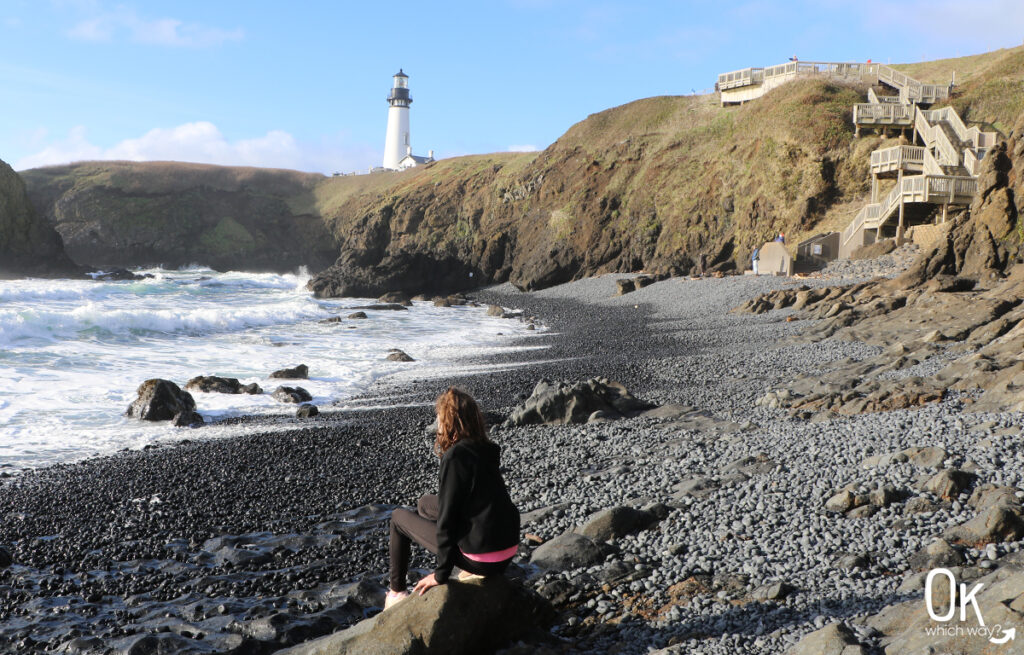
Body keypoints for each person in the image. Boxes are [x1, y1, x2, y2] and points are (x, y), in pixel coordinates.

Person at [385, 388, 521, 609]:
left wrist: (441, 574)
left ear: (449, 421)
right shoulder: (487, 449)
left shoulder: (455, 457)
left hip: (482, 558)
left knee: (398, 518)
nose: (437, 424)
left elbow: (447, 519)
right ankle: (468, 557)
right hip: (507, 548)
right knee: (424, 504)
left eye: (439, 418)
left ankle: (396, 593)